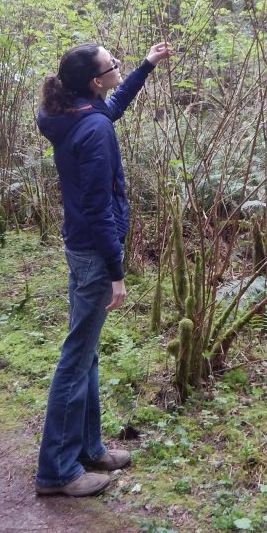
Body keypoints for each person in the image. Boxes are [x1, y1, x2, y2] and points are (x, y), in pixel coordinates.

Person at [35, 41, 172, 497]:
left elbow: (111, 107)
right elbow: (98, 207)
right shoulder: (93, 130)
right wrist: (117, 270)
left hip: (80, 247)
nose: (119, 66)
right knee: (75, 360)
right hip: (95, 252)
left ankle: (89, 449)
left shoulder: (76, 113)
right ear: (95, 81)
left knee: (86, 354)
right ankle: (57, 471)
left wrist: (146, 67)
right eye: (114, 64)